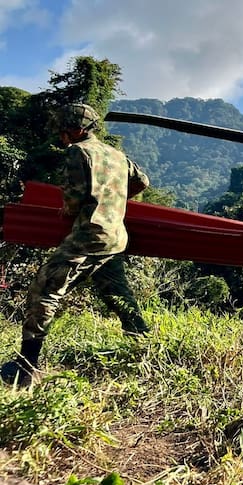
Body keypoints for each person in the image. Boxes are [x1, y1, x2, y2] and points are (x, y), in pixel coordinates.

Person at [1, 103, 151, 388]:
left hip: (89, 236)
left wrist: (69, 211)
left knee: (45, 290)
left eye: (63, 128)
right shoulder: (117, 155)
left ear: (77, 129)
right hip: (116, 237)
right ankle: (144, 351)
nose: (61, 135)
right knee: (117, 296)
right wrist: (113, 201)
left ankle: (26, 367)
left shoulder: (78, 152)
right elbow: (142, 181)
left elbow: (75, 196)